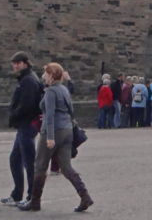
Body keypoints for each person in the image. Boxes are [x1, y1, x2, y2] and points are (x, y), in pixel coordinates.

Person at [20, 62, 94, 213]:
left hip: (53, 130)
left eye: (46, 74)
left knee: (40, 165)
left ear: (52, 75)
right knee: (66, 167)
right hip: (67, 129)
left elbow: (50, 115)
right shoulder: (64, 89)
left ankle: (35, 202)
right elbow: (70, 110)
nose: (43, 76)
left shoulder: (51, 92)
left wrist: (50, 137)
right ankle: (85, 196)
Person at [0, 51, 43, 208]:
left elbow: (27, 105)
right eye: (14, 63)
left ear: (25, 63)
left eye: (18, 63)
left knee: (28, 162)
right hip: (25, 125)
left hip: (27, 125)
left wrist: (14, 116)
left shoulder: (28, 81)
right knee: (16, 159)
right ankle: (18, 194)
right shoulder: (27, 79)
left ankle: (32, 196)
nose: (15, 66)